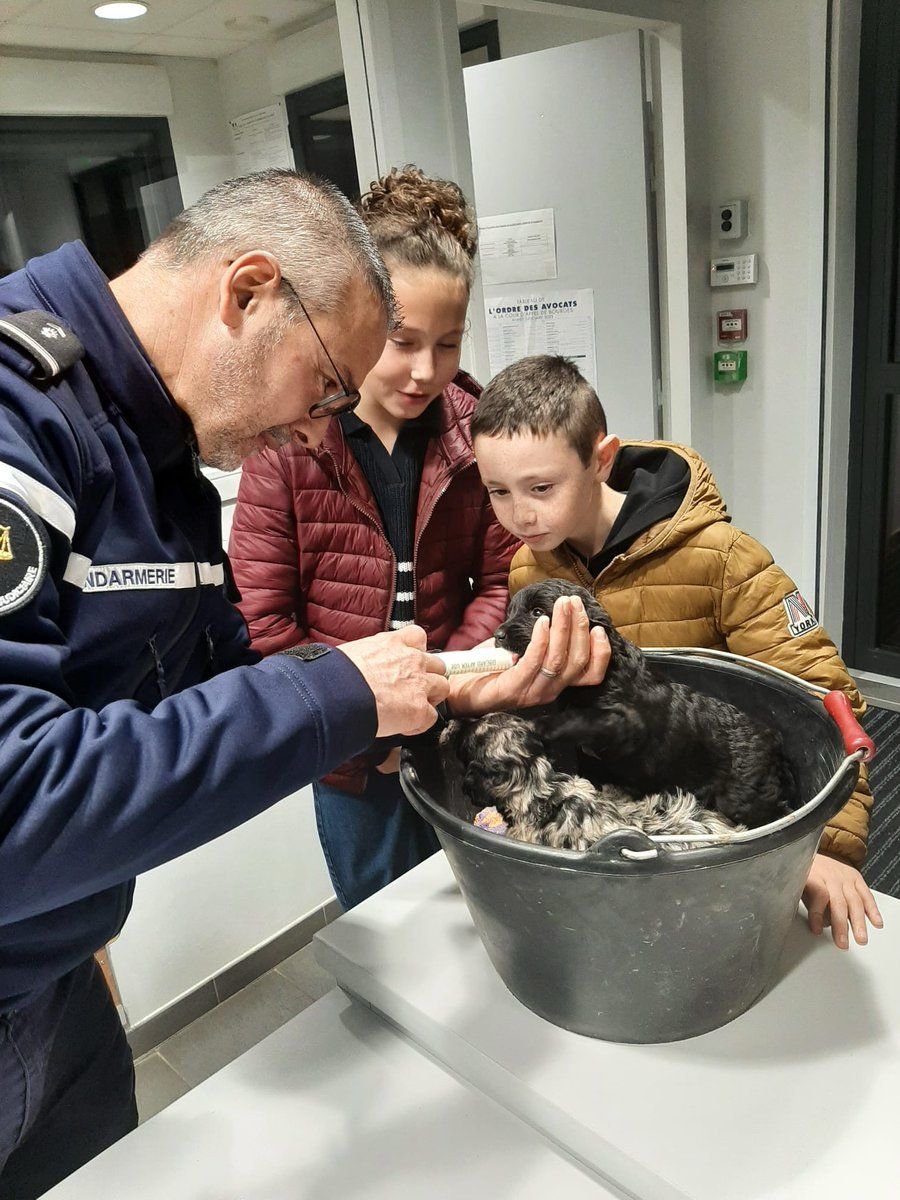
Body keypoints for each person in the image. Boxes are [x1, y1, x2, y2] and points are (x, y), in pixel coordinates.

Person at [0, 173, 608, 1199]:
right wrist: (337, 692)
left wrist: (445, 682)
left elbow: (218, 672)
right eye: (328, 387)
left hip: (55, 971)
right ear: (249, 293)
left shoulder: (153, 460)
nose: (320, 431)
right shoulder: (24, 423)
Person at [470, 353, 884, 951]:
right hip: (618, 826)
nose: (520, 514)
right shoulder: (528, 567)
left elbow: (825, 698)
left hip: (724, 822)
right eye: (497, 492)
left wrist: (825, 849)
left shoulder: (722, 559)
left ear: (601, 460)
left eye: (540, 487)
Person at [230, 166, 518, 910]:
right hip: (347, 751)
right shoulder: (289, 441)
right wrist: (364, 716)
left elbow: (498, 579)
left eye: (448, 343)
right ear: (359, 322)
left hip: (452, 723)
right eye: (402, 340)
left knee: (475, 904)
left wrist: (440, 694)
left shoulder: (470, 428)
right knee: (383, 918)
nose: (426, 371)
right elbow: (264, 622)